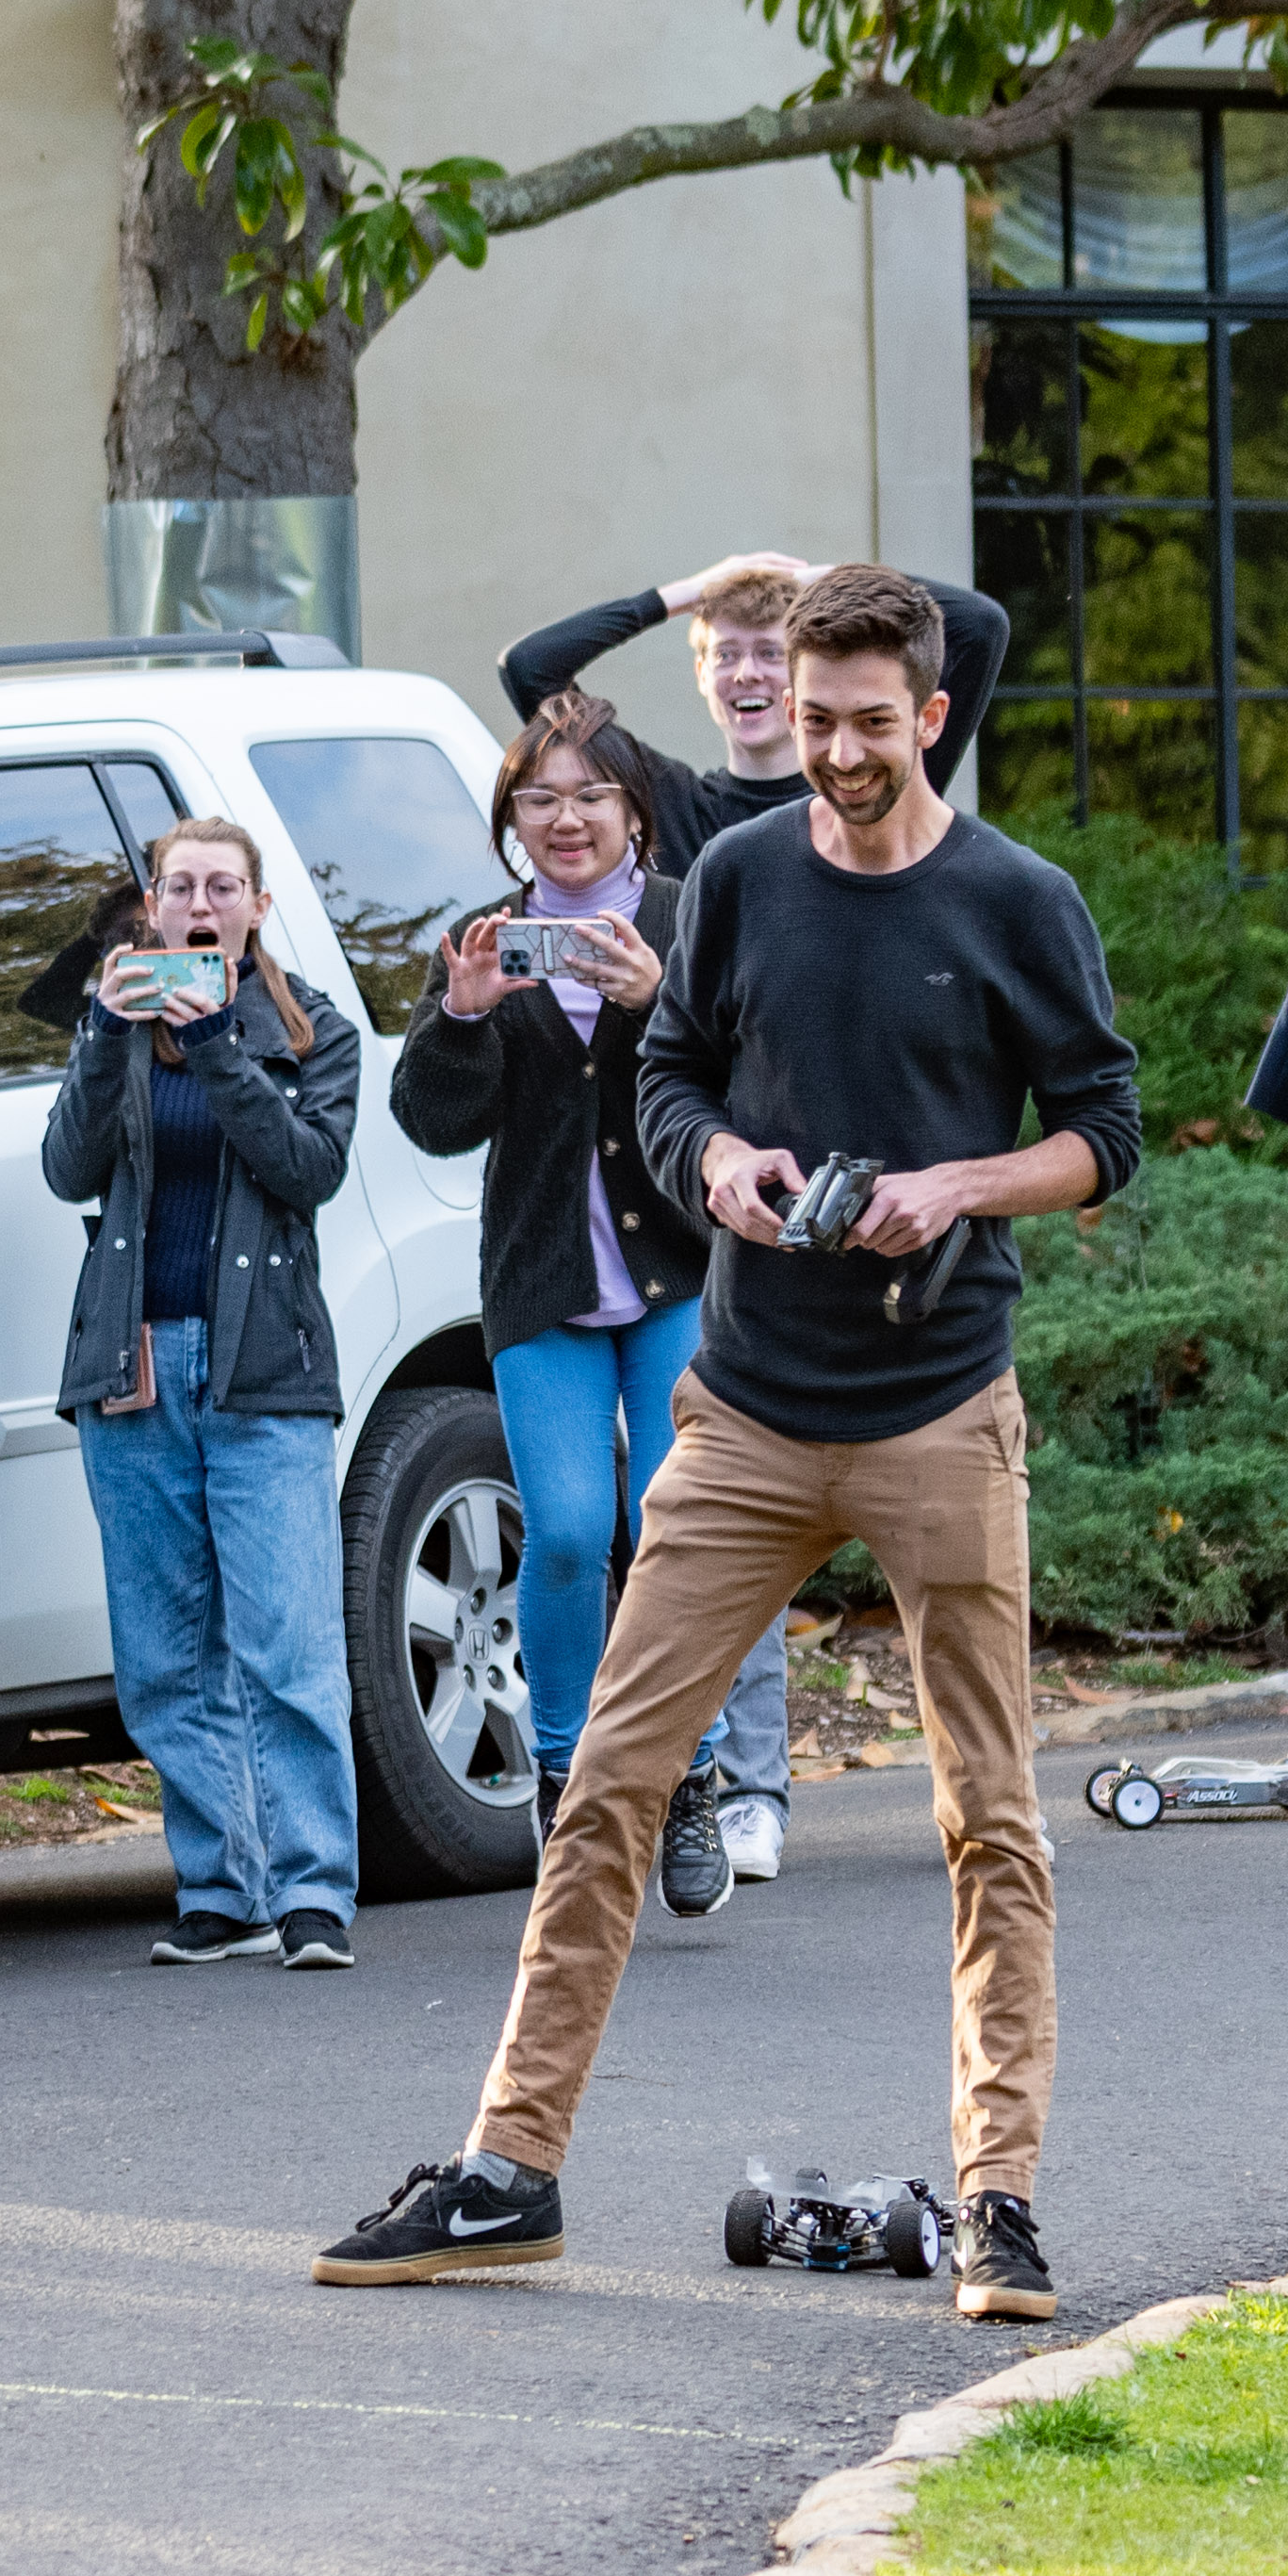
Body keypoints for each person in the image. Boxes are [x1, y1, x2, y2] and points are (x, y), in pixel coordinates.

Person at [317, 567, 1139, 2320]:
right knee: (608, 1783)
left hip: (937, 1411)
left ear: (928, 713)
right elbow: (669, 1071)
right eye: (813, 720)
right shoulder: (738, 882)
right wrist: (714, 1169)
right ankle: (507, 2171)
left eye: (867, 721)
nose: (835, 751)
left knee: (988, 1820)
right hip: (747, 1416)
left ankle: (994, 2201)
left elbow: (1103, 1125)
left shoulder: (1015, 899)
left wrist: (955, 1188)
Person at [387, 691, 790, 1918]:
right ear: (512, 820)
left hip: (679, 1275)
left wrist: (652, 997)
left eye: (591, 797)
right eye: (540, 799)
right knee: (564, 1534)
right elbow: (433, 1123)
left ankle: (692, 1777)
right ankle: (566, 1787)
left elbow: (764, 1088)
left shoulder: (689, 920)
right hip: (545, 1282)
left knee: (678, 1535)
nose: (567, 820)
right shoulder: (483, 939)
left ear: (635, 811)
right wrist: (461, 1019)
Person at [44, 817, 367, 1970]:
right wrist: (100, 1031)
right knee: (167, 1652)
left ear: (255, 908)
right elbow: (65, 1171)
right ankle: (222, 1885)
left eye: (220, 885)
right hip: (130, 1366)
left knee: (286, 1642)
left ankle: (314, 1890)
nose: (197, 902)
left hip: (263, 1368)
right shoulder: (120, 1026)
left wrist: (220, 1038)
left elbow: (307, 1170)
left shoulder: (309, 1029)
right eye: (178, 885)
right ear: (153, 907)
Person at [497, 551, 1011, 876]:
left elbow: (978, 624)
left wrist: (816, 579)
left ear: (800, 677)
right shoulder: (669, 803)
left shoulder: (871, 784)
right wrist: (687, 593)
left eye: (769, 652)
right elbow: (530, 668)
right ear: (701, 673)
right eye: (725, 654)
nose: (745, 674)